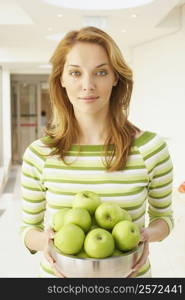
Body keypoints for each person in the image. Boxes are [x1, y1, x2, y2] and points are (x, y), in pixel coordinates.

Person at [20, 26, 174, 278]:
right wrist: (44, 242)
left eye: (101, 72)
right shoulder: (40, 154)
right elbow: (28, 228)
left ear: (115, 78)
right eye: (75, 73)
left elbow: (164, 217)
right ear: (61, 78)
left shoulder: (150, 150)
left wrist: (147, 235)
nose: (87, 85)